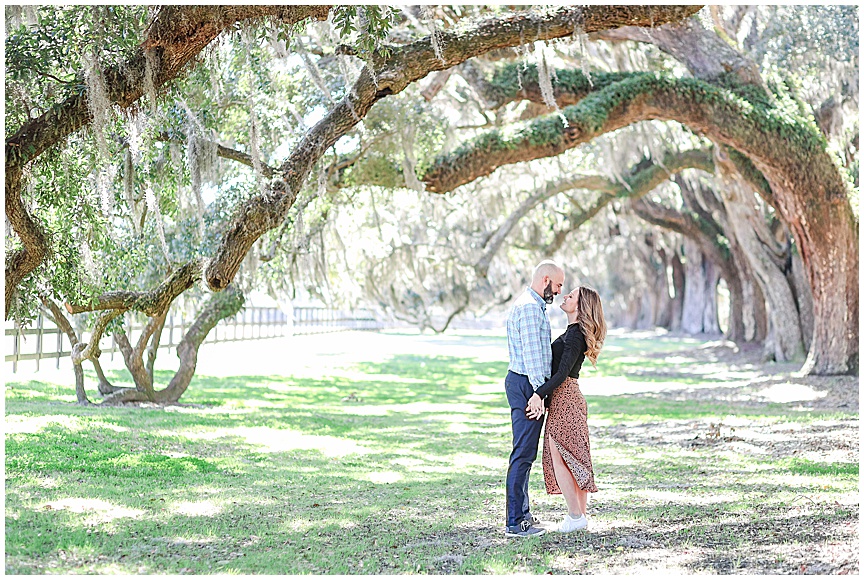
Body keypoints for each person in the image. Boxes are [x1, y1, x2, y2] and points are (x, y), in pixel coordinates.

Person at [526, 286, 607, 533]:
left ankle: (575, 515)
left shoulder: (575, 335)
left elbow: (561, 374)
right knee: (573, 458)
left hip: (566, 399)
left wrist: (538, 394)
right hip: (567, 398)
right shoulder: (574, 332)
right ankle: (579, 516)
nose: (565, 297)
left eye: (570, 296)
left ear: (580, 307)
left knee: (560, 456)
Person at [503, 260, 565, 538]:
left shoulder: (533, 305)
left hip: (528, 384)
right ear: (545, 280)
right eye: (558, 285)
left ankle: (522, 516)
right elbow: (532, 357)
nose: (560, 291)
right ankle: (516, 522)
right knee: (523, 453)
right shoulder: (529, 308)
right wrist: (539, 394)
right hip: (527, 385)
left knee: (526, 453)